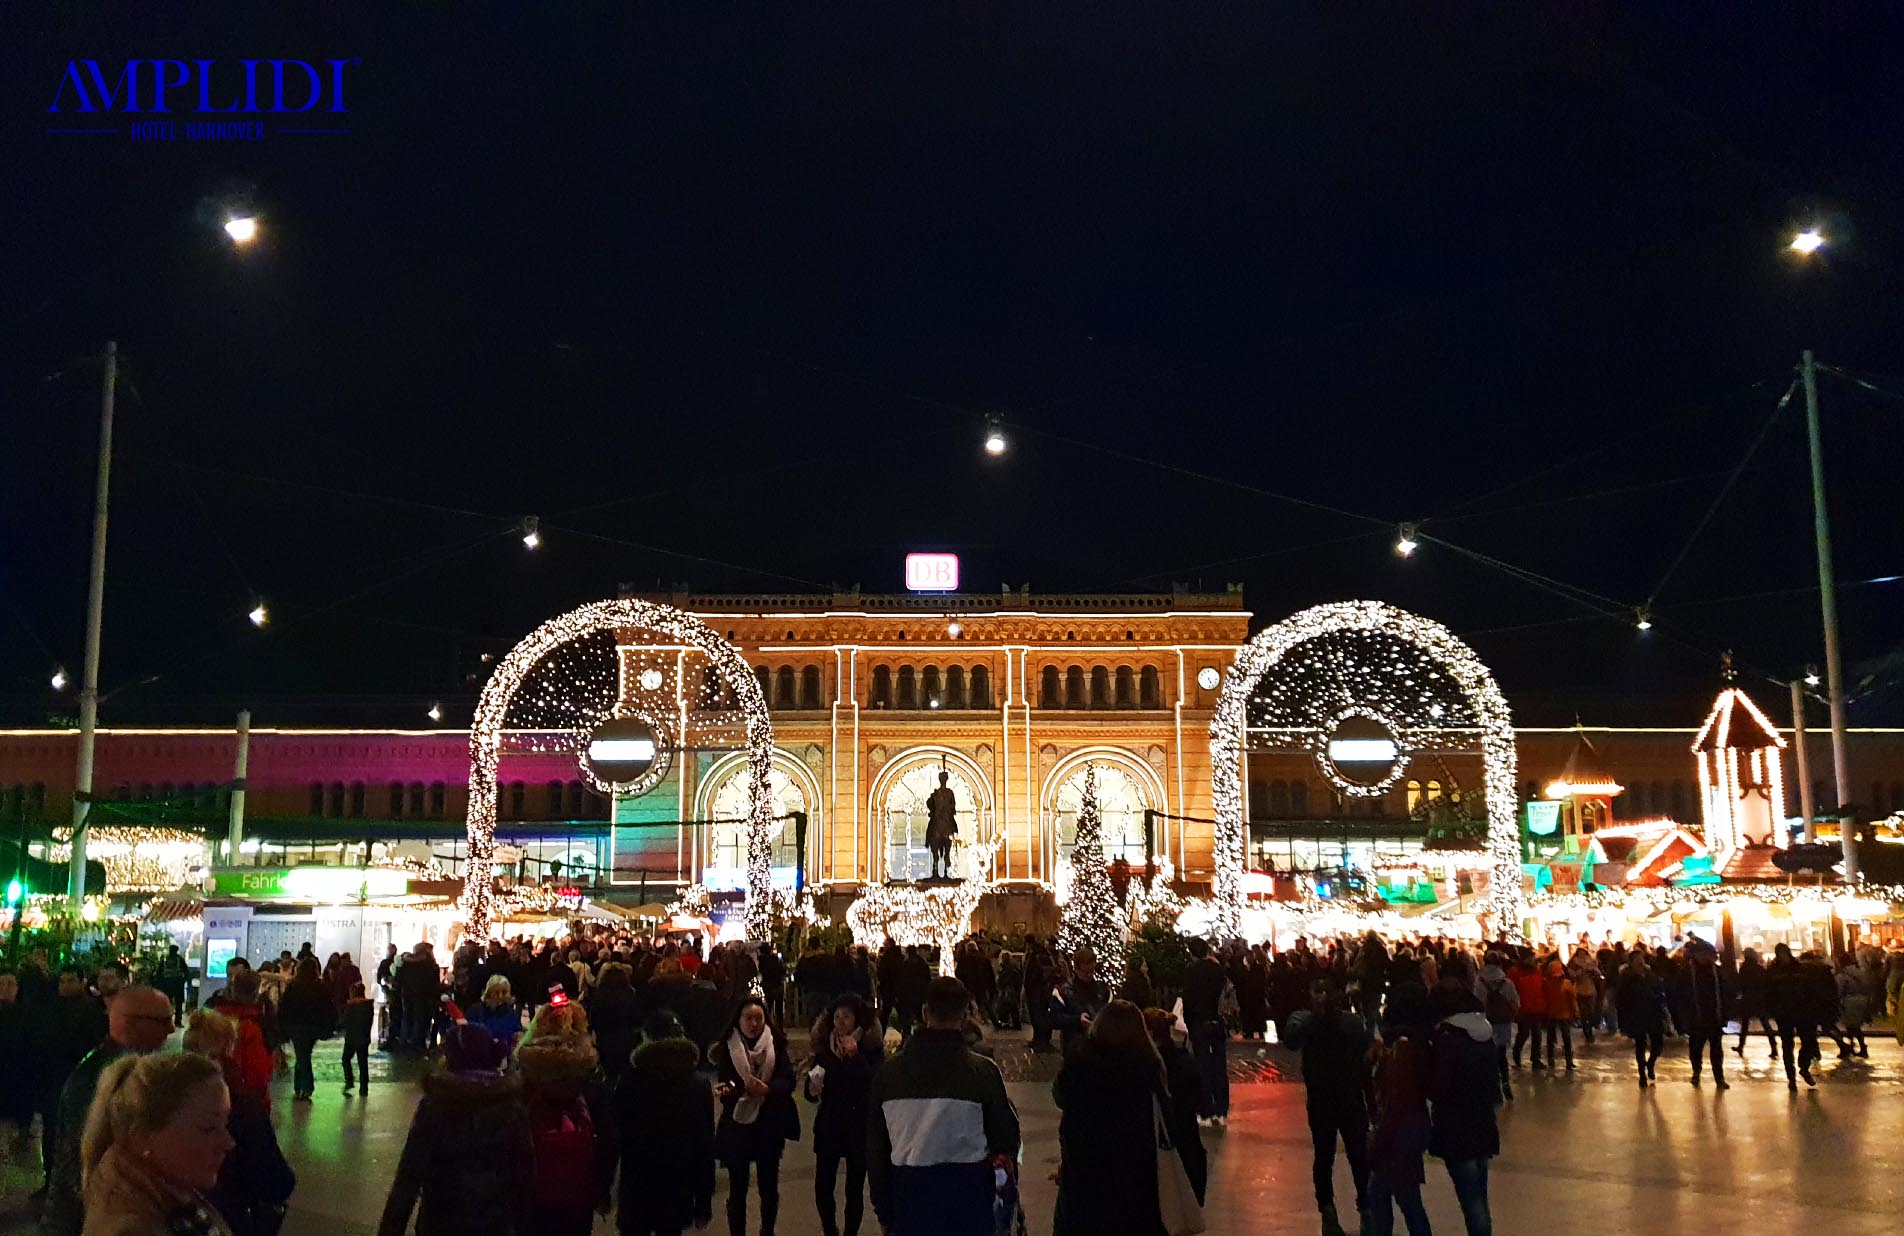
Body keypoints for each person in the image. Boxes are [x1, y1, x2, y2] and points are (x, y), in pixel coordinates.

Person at [869, 977, 1020, 1236]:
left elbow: (876, 1149)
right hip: (968, 1203)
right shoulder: (982, 1073)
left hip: (909, 1202)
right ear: (964, 1017)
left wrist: (883, 1209)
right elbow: (1006, 1140)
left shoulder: (889, 1075)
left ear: (926, 1012)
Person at [377, 1023, 533, 1235]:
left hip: (441, 1221)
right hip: (495, 1221)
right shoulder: (510, 1104)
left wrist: (391, 1228)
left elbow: (409, 1176)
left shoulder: (436, 1105)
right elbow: (524, 1174)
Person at [44, 984, 175, 1236]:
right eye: (163, 1021)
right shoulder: (106, 1080)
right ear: (133, 1024)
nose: (171, 1029)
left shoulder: (116, 1069)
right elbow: (83, 1160)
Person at [1051, 999, 1175, 1236]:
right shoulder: (1149, 1070)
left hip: (1084, 1184)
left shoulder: (1079, 1065)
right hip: (1137, 1188)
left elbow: (1060, 1096)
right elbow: (1167, 1124)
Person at [77, 1050, 235, 1236]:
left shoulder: (167, 1190)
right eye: (208, 1129)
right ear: (143, 1135)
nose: (228, 1143)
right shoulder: (130, 1227)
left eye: (225, 1125)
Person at [183, 1010, 295, 1236]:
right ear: (228, 1046)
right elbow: (277, 1181)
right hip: (231, 1217)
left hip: (185, 1214)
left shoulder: (167, 1097)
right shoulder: (242, 1103)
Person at [1283, 978, 1371, 1236]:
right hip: (1349, 1098)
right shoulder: (1350, 1023)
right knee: (1357, 1155)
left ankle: (1328, 1210)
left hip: (1322, 1100)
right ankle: (1365, 1209)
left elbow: (1291, 1040)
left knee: (1324, 1156)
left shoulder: (1308, 1024)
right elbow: (1364, 1052)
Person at [615, 1012, 715, 1236]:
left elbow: (616, 1138)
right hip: (677, 1187)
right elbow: (704, 1147)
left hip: (637, 1186)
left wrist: (602, 1188)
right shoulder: (697, 1086)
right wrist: (703, 1202)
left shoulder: (630, 1082)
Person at [518, 1024, 617, 1236]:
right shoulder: (589, 1087)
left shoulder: (524, 1090)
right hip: (578, 1196)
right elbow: (608, 1143)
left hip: (533, 1197)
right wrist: (601, 1191)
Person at [713, 996, 798, 1236]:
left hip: (768, 1124)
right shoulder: (728, 1048)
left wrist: (768, 1090)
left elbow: (788, 1080)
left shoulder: (775, 1045)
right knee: (737, 1187)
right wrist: (732, 1089)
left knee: (768, 1185)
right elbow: (727, 1078)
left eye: (758, 1018)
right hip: (738, 1125)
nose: (753, 1023)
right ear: (738, 1021)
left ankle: (767, 1230)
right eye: (748, 1018)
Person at [806, 992, 884, 1236]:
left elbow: (873, 1083)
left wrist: (855, 1056)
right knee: (823, 1185)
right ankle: (829, 1228)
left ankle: (851, 1231)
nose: (841, 1022)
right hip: (830, 1122)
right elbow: (812, 1086)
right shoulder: (823, 1050)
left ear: (856, 1020)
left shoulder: (870, 1050)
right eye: (837, 1017)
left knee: (854, 1186)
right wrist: (812, 1089)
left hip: (857, 1124)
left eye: (846, 1017)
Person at [1428, 986, 1501, 1236]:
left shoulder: (1448, 1038)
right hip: (1483, 1122)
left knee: (1470, 1199)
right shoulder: (1484, 1034)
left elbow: (1440, 1086)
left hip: (1457, 1126)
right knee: (1479, 1194)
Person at [1365, 1022, 1432, 1236]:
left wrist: (1378, 1138)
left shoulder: (1398, 1056)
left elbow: (1393, 1103)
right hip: (1405, 1135)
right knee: (1390, 1195)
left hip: (1397, 1139)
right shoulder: (1407, 1050)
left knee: (1403, 1198)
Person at [1142, 1006, 1207, 1205]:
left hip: (1161, 1144)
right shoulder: (1185, 1060)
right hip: (1188, 1141)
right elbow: (1199, 1099)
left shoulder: (1148, 1066)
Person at [1179, 937, 1230, 1129]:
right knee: (1219, 1066)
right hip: (1217, 1021)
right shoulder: (1217, 970)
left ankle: (1206, 1110)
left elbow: (1188, 1000)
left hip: (1199, 1023)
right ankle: (1222, 1110)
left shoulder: (1191, 972)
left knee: (1203, 1067)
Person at [276, 958, 334, 1103]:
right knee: (303, 1055)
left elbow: (284, 1007)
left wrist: (282, 1027)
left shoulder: (294, 986)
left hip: (296, 1026)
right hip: (314, 1026)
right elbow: (328, 1008)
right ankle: (301, 1088)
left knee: (302, 1055)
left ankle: (305, 1087)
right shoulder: (320, 987)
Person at [1615, 949, 1666, 1089]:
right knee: (1640, 1045)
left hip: (1653, 1013)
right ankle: (1642, 1074)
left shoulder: (1650, 974)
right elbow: (1620, 998)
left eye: (1641, 958)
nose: (1640, 961)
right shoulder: (1626, 976)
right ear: (1631, 962)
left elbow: (1658, 989)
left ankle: (1650, 1064)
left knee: (1658, 1043)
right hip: (1636, 1014)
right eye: (1637, 959)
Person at [1684, 943, 1730, 1089]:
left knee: (1716, 1049)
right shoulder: (1688, 973)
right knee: (1696, 1048)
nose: (1707, 958)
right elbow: (1681, 996)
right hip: (1697, 1018)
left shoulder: (1717, 971)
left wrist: (1725, 1014)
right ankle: (1696, 1072)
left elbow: (1725, 993)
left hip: (1714, 1017)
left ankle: (1719, 1078)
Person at [1477, 952, 1519, 1100]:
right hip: (1503, 1022)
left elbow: (1476, 1003)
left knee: (1487, 1055)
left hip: (1485, 1022)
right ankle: (1506, 1083)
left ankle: (1492, 1088)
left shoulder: (1479, 982)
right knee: (1501, 1055)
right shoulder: (1507, 983)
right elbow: (1515, 1002)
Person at [1732, 946, 1777, 1059]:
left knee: (1745, 1024)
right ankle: (1774, 1047)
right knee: (1765, 1024)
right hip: (1759, 999)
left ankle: (1741, 1045)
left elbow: (1741, 982)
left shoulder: (1744, 968)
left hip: (1748, 999)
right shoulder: (1759, 968)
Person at [1506, 950, 1546, 1069]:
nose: (1533, 960)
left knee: (1537, 1034)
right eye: (1531, 958)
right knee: (1524, 1033)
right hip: (1523, 1008)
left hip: (1536, 1007)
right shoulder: (1516, 972)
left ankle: (1535, 1059)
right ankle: (1517, 1056)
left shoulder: (1537, 972)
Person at [1539, 958, 1576, 1071]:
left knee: (1554, 1037)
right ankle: (1567, 1061)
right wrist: (1574, 1013)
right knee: (1564, 1038)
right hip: (1560, 1014)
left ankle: (1557, 1060)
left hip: (1555, 1014)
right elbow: (1572, 1000)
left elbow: (1571, 1000)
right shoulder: (1565, 983)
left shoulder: (1547, 983)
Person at [340, 982, 375, 1096]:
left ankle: (349, 1080)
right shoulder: (369, 1006)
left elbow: (344, 1022)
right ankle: (364, 1088)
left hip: (351, 1038)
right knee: (363, 1063)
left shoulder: (351, 1006)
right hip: (364, 1038)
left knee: (346, 1059)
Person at [471, 974, 524, 1046]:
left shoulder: (511, 1013)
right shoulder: (476, 1010)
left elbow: (517, 1030)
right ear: (489, 993)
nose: (500, 996)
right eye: (496, 992)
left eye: (504, 992)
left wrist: (518, 1035)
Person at [156, 945, 192, 1027]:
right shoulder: (179, 959)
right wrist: (186, 981)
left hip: (167, 984)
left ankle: (165, 1022)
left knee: (167, 1003)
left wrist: (159, 984)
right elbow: (186, 971)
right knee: (178, 1004)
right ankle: (177, 1022)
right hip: (178, 984)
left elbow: (159, 973)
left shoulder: (164, 959)